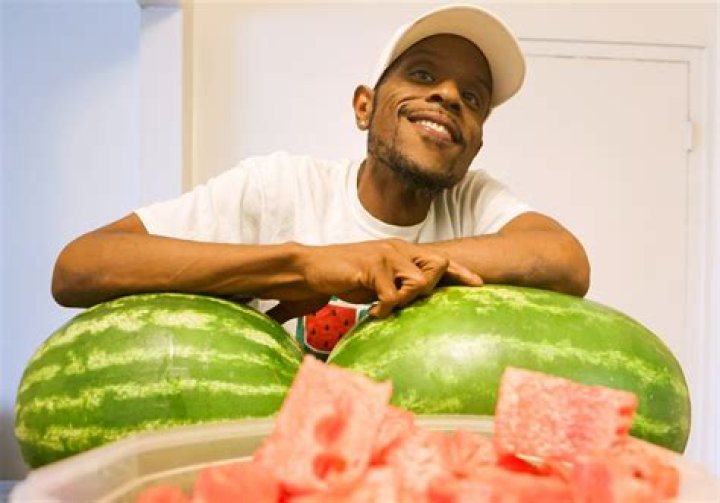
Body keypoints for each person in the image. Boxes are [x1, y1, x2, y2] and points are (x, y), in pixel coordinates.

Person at [52, 5, 590, 356]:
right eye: (423, 74)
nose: (449, 96)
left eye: (472, 98)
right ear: (364, 107)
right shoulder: (279, 187)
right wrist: (300, 264)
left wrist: (397, 260)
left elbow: (565, 259)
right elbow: (80, 267)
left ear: (473, 144)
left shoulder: (472, 202)